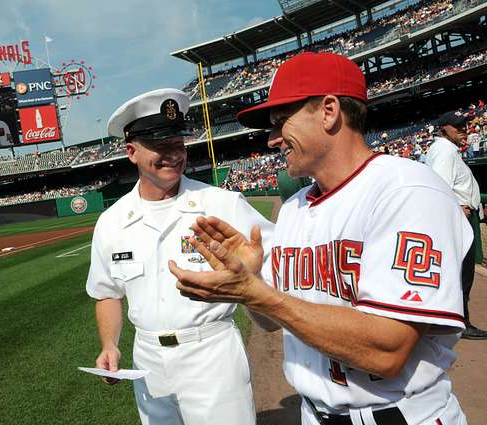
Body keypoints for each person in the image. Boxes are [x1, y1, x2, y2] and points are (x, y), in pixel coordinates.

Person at [169, 52, 472, 425]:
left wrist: (257, 293)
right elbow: (271, 321)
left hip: (399, 415)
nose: (272, 139)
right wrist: (250, 284)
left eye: (281, 121)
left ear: (329, 111)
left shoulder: (407, 190)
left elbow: (388, 350)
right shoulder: (294, 208)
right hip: (314, 413)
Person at [85, 88, 274, 425]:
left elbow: (277, 267)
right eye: (160, 146)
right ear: (131, 151)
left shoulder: (223, 204)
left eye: (178, 143)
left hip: (211, 354)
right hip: (147, 362)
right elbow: (108, 293)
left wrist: (254, 281)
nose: (173, 154)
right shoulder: (111, 222)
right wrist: (109, 346)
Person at [425, 110, 487, 340]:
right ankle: (461, 323)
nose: (464, 130)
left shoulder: (445, 149)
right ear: (443, 130)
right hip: (458, 219)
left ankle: (455, 321)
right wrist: (455, 207)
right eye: (457, 126)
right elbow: (439, 185)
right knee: (462, 274)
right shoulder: (444, 151)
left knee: (459, 273)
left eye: (464, 126)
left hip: (457, 217)